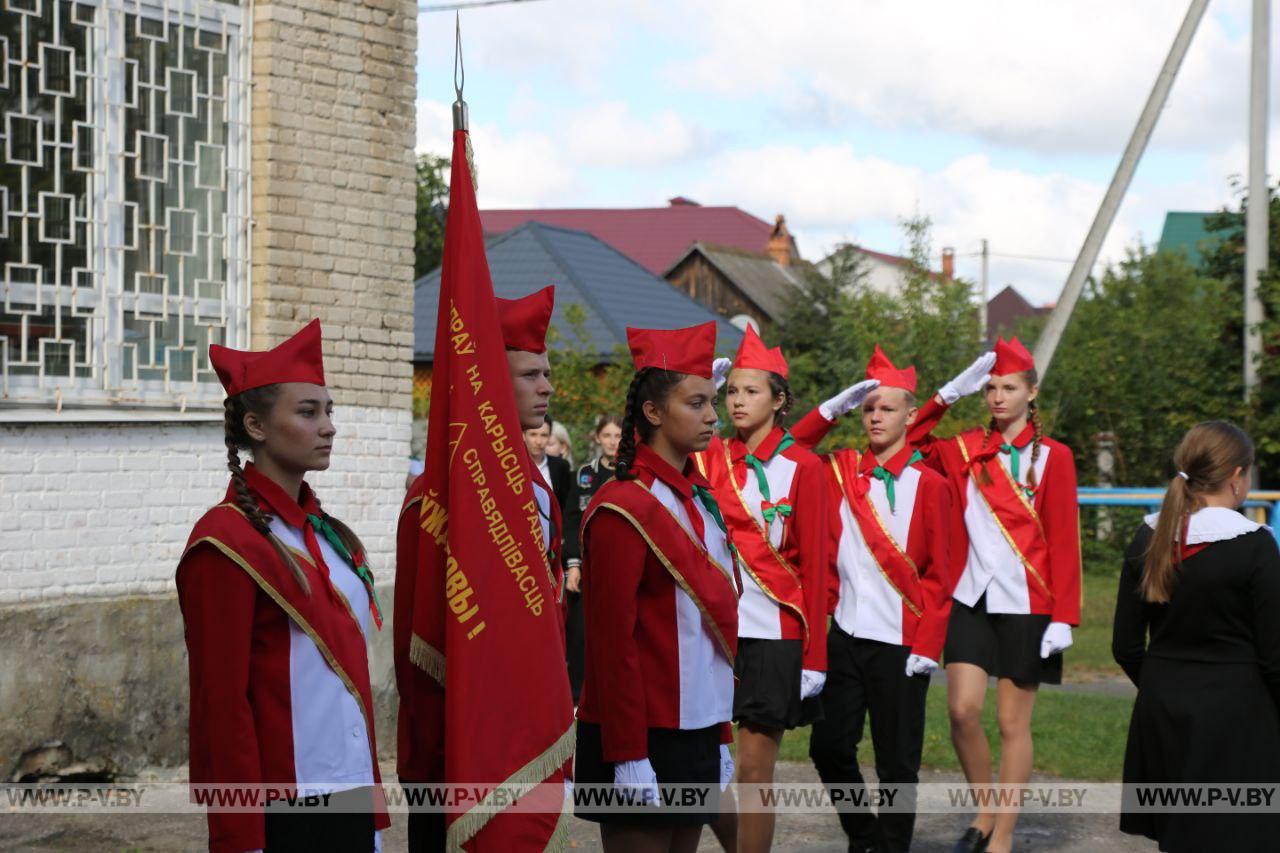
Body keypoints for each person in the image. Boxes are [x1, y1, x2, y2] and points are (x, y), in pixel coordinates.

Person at [176, 319, 388, 852]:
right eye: (308, 412)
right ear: (256, 425)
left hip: (349, 796)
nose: (329, 427)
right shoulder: (223, 540)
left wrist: (371, 816)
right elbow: (221, 705)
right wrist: (239, 836)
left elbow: (349, 690)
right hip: (284, 810)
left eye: (329, 411)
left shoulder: (332, 536)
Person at [395, 285, 568, 853]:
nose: (546, 387)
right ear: (489, 382)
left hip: (523, 721)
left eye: (546, 373)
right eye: (529, 375)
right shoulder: (435, 499)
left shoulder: (540, 489)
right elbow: (415, 643)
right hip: (457, 742)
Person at [899, 337, 1080, 853]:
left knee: (1010, 722)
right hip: (971, 597)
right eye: (991, 388)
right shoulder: (963, 450)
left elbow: (1064, 540)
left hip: (1030, 603)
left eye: (1008, 388)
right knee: (961, 710)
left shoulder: (1056, 457)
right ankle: (985, 810)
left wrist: (1064, 615)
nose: (998, 397)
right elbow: (906, 437)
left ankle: (1000, 835)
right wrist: (948, 394)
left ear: (1031, 392)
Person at [575, 322, 739, 852]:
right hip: (638, 732)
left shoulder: (698, 498)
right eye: (696, 403)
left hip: (695, 724)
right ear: (653, 412)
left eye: (712, 402)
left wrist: (719, 734)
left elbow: (705, 636)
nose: (713, 416)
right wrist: (627, 753)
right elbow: (610, 641)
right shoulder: (622, 505)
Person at [798, 346, 956, 853]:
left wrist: (929, 645)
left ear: (912, 415)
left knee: (898, 763)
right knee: (828, 747)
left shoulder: (931, 485)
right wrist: (829, 411)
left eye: (886, 407)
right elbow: (787, 447)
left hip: (903, 644)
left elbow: (942, 573)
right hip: (845, 635)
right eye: (867, 408)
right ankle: (864, 834)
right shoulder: (838, 470)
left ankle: (890, 846)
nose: (875, 417)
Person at [695, 326, 832, 853]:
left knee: (754, 771)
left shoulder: (806, 467)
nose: (737, 401)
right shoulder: (709, 458)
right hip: (713, 632)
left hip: (774, 634)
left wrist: (814, 656)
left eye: (751, 391)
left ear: (779, 401)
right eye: (731, 391)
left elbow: (816, 569)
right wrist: (694, 396)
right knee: (703, 770)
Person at [1113, 421, 1280, 852]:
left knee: (1178, 838)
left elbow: (1125, 646)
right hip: (1236, 716)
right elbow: (1274, 654)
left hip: (1163, 708)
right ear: (1237, 477)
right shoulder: (1256, 545)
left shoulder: (1148, 536)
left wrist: (1162, 684)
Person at [563, 413, 624, 705]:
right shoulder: (584, 474)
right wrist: (572, 565)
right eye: (608, 436)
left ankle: (613, 695)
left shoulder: (633, 472)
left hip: (621, 565)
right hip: (587, 565)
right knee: (580, 634)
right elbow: (572, 521)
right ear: (598, 438)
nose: (613, 442)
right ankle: (578, 698)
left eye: (618, 436)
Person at [525, 415, 573, 512]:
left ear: (549, 437)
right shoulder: (514, 465)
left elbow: (565, 506)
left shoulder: (561, 466)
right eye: (533, 434)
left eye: (544, 435)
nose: (538, 441)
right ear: (523, 435)